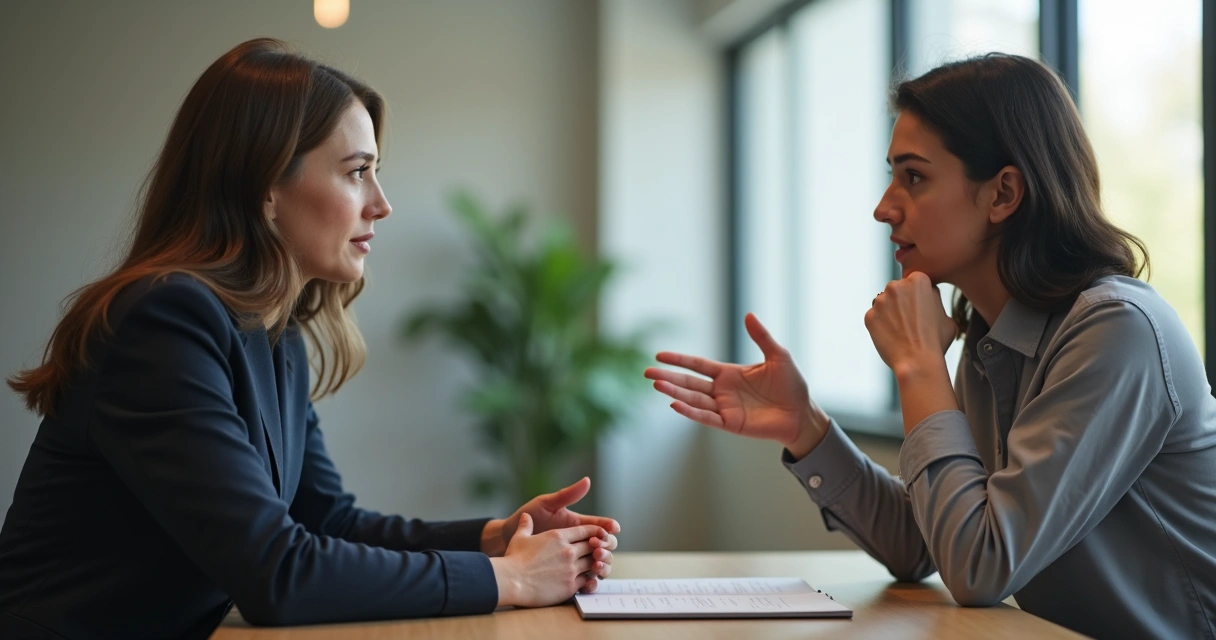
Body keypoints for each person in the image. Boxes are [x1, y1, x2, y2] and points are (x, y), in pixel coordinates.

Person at [0, 38, 618, 639]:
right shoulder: (164, 319)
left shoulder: (272, 329)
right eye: (357, 173)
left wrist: (492, 535)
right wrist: (506, 578)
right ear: (266, 187)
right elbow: (279, 575)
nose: (381, 204)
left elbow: (324, 520)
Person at [645, 53, 1216, 639]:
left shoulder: (1116, 330)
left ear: (1003, 194)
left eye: (913, 177)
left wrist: (918, 364)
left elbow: (978, 566)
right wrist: (805, 427)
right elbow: (930, 540)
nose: (883, 207)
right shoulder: (990, 337)